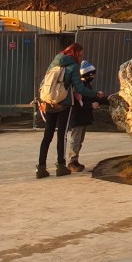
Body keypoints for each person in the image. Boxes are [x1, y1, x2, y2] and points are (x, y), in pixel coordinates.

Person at [37, 43, 104, 179]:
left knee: (47, 135)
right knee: (62, 135)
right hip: (64, 104)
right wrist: (95, 94)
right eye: (80, 54)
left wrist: (43, 100)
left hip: (49, 103)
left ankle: (41, 168)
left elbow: (43, 83)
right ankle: (61, 166)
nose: (80, 56)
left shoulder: (55, 61)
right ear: (75, 53)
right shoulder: (73, 66)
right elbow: (79, 88)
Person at [66, 61, 109, 172]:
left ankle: (75, 160)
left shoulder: (87, 85)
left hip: (83, 118)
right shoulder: (78, 86)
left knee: (80, 140)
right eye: (92, 74)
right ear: (87, 74)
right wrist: (91, 105)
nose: (93, 76)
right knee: (76, 140)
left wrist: (104, 99)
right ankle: (71, 162)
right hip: (77, 118)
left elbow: (91, 97)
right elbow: (78, 103)